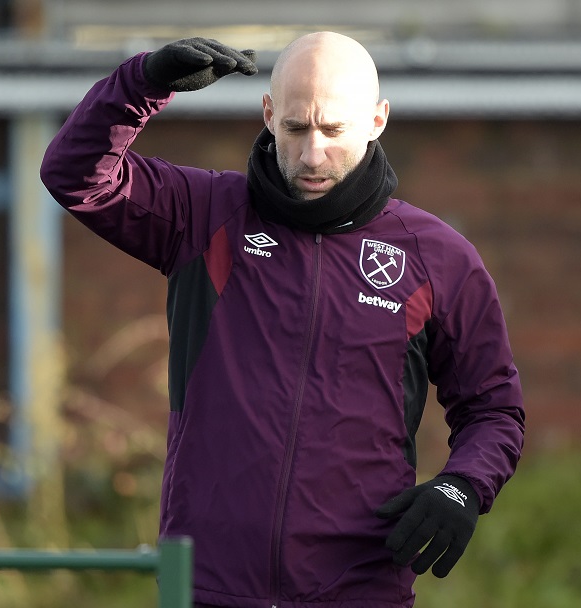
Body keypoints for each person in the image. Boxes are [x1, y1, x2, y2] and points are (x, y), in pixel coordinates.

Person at [40, 32, 525, 608]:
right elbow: (75, 173)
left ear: (377, 120)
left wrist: (462, 487)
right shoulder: (205, 215)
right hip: (207, 584)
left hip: (359, 588)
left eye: (334, 130)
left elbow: (494, 408)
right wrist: (142, 82)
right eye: (295, 128)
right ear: (268, 115)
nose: (312, 154)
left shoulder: (437, 257)